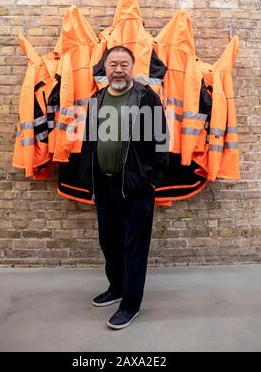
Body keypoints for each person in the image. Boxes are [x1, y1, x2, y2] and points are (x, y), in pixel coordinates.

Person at [79, 45, 169, 330]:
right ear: (105, 68)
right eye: (113, 64)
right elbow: (89, 143)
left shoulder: (145, 98)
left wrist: (150, 178)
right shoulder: (97, 99)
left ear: (132, 67)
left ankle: (130, 304)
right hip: (104, 185)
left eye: (124, 64)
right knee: (109, 241)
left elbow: (161, 139)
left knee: (134, 246)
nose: (118, 69)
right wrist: (88, 179)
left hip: (135, 187)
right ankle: (116, 287)